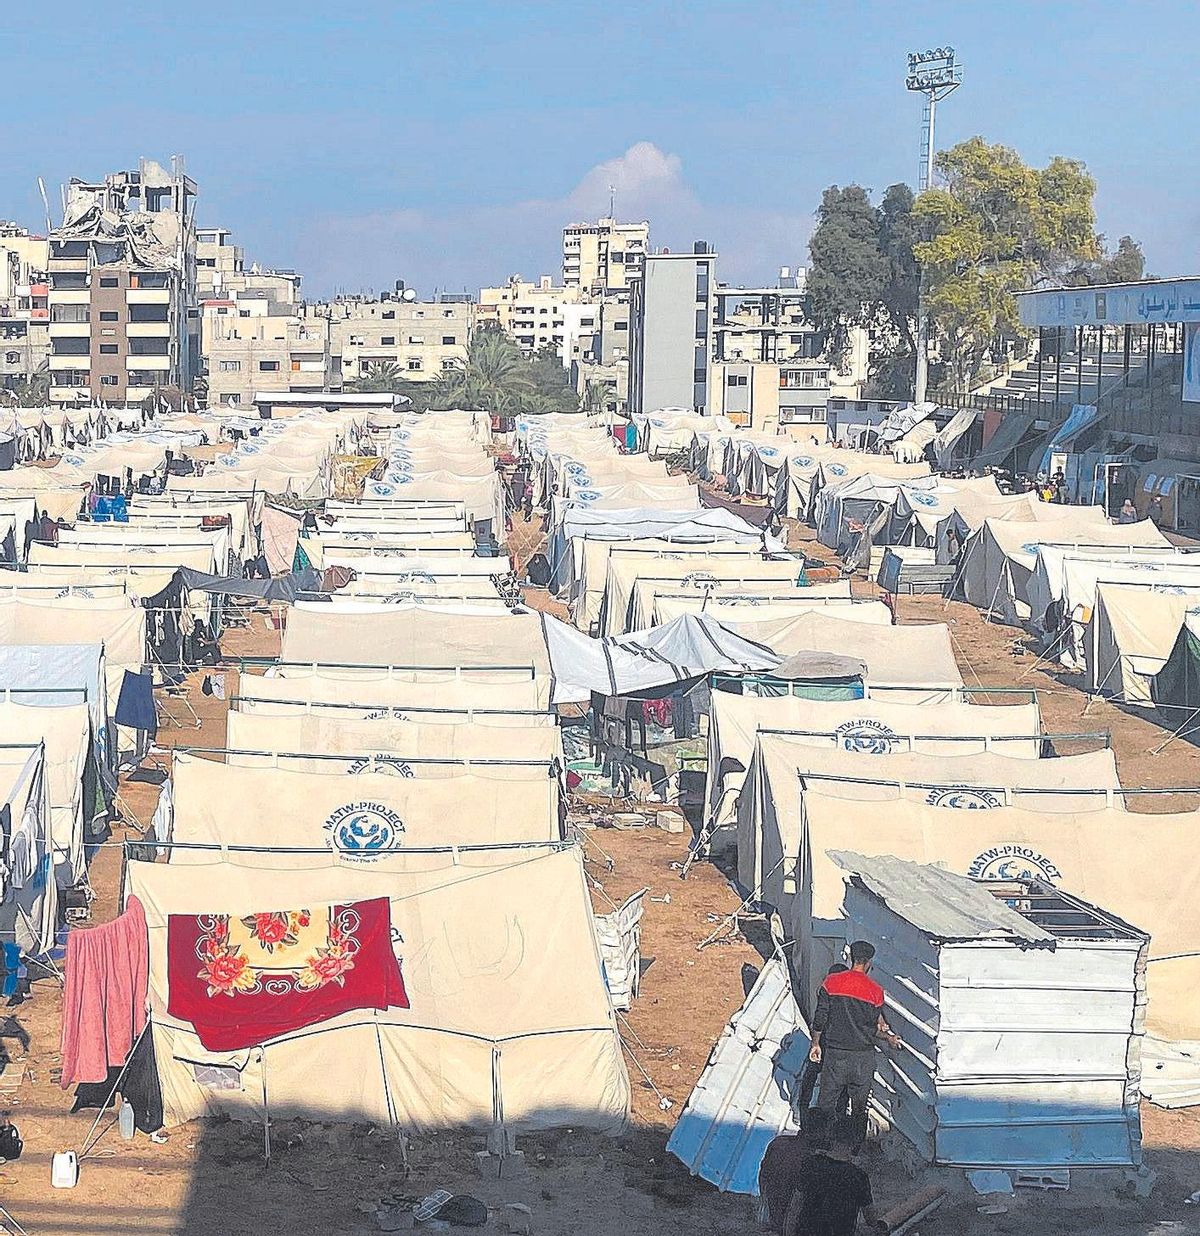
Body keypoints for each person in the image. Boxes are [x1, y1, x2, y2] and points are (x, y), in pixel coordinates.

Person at [809, 941, 901, 1152]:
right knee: (859, 1108)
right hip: (862, 1058)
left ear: (851, 958)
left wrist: (816, 1043)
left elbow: (820, 1017)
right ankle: (854, 1149)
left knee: (826, 1104)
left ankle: (822, 1147)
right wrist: (888, 1037)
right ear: (869, 962)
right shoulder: (875, 991)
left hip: (836, 1055)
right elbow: (871, 1027)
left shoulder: (831, 983)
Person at [781, 1115, 883, 1236]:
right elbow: (871, 1219)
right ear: (856, 1142)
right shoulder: (858, 1177)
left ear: (831, 1137)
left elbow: (795, 1208)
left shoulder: (811, 1164)